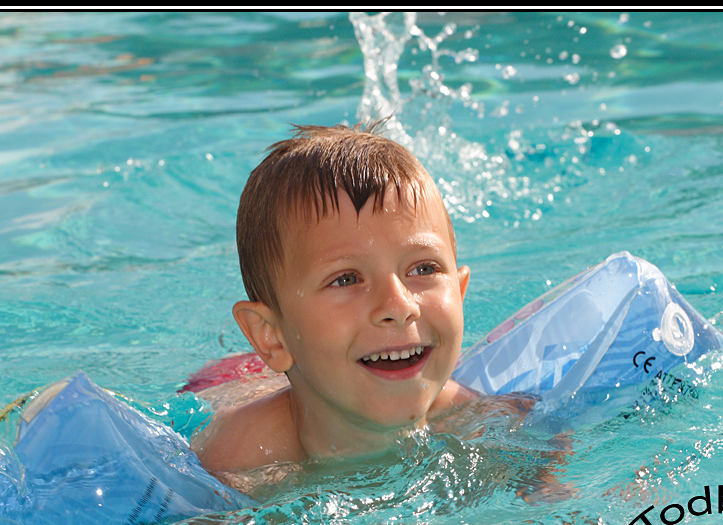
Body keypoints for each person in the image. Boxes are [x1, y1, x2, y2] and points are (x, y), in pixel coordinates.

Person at [191, 120, 498, 482]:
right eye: (347, 279)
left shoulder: (481, 424)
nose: (398, 306)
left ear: (459, 295)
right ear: (272, 335)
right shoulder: (235, 460)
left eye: (423, 268)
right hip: (228, 383)